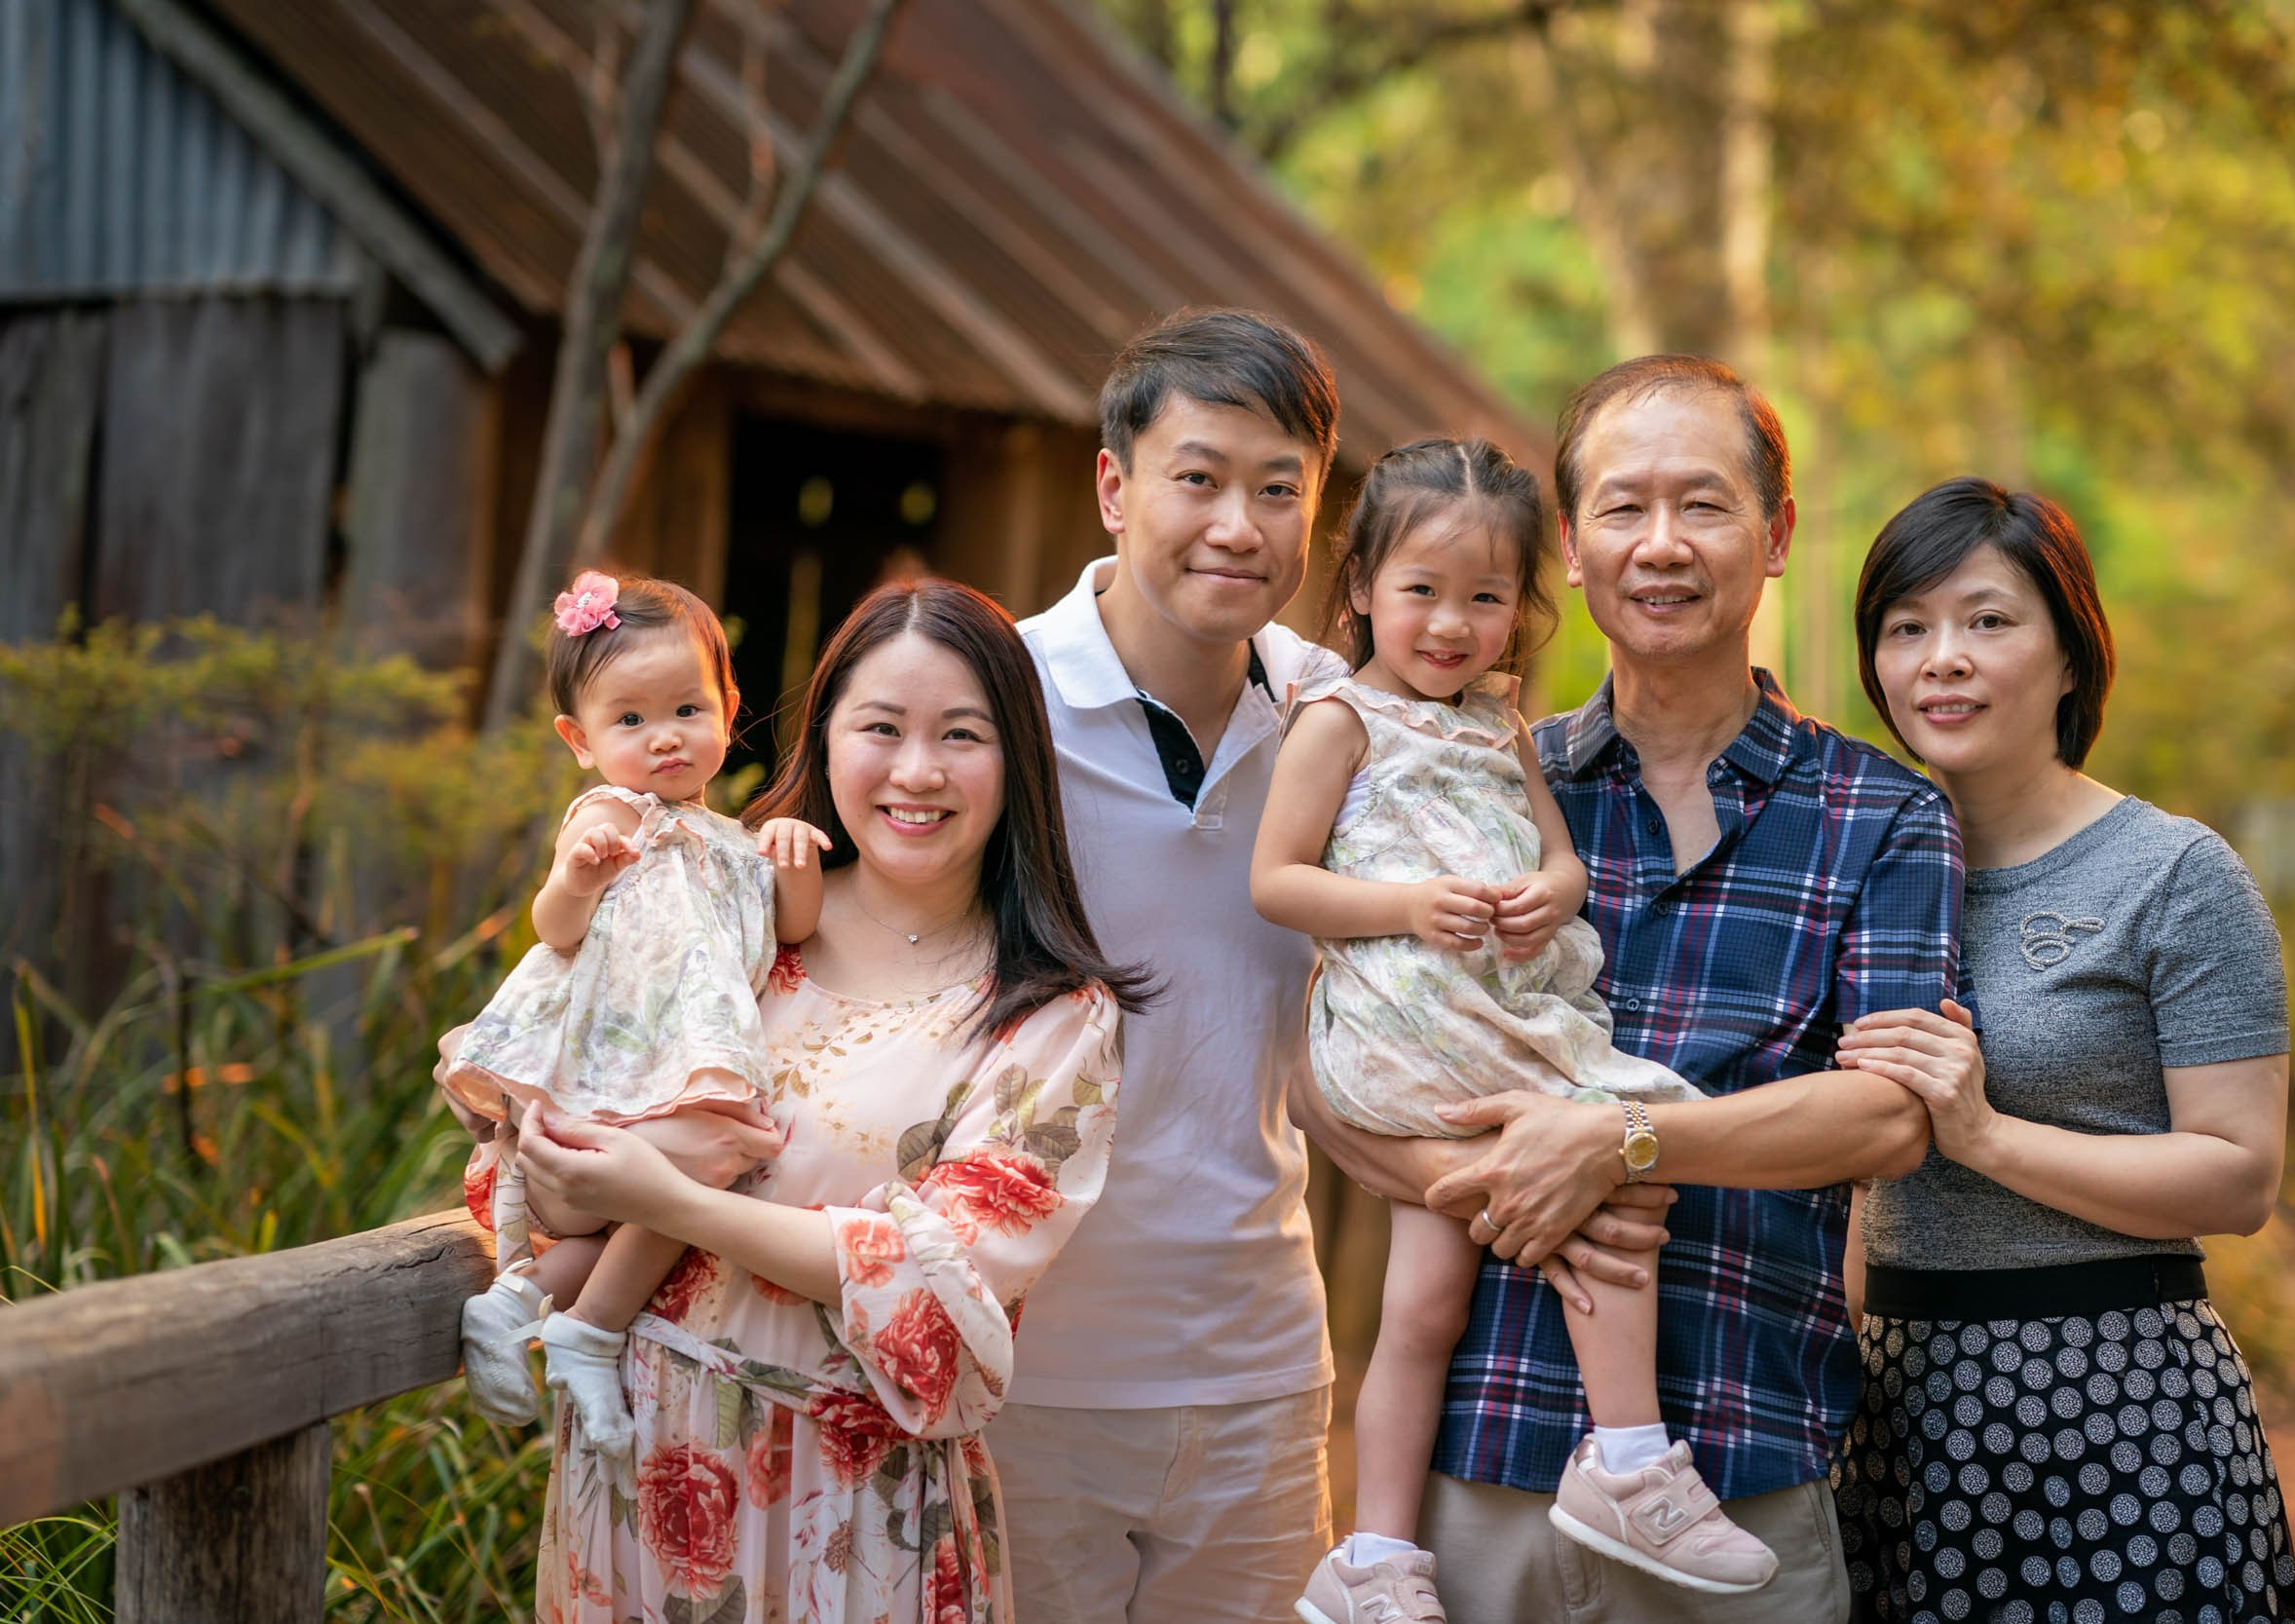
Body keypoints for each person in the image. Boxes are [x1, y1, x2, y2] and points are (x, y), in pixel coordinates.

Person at [1297, 355, 1967, 1623]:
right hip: (1474, 1478)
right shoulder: (1462, 776)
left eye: (1703, 505)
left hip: (1740, 1473)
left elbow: (1889, 1115)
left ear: (1772, 536)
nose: (1662, 544)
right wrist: (1496, 1167)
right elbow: (1324, 1052)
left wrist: (1620, 1139)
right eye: (1623, 506)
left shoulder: (1881, 814)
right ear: (1570, 541)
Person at [501, 579, 1148, 1623]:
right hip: (636, 1457)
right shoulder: (733, 916)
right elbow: (563, 1132)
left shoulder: (1051, 1019)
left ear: (1016, 754)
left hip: (854, 1510)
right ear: (825, 737)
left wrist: (669, 1198)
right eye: (880, 728)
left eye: (962, 734)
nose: (917, 770)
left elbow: (941, 1300)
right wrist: (571, 1180)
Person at [1252, 436, 1777, 1621]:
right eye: (1421, 592)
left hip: (1496, 1016)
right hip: (1407, 1024)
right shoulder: (1340, 719)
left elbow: (1557, 854)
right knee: (1611, 1201)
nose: (1451, 625)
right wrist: (1404, 908)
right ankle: (1630, 1457)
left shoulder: (1500, 722)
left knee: (1425, 1304)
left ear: (1523, 612)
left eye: (1485, 598)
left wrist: (1553, 889)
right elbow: (1277, 880)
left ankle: (1377, 1556)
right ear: (1361, 589)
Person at [1831, 477, 2295, 1624]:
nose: (1942, 657)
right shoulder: (1855, 868)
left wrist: (1986, 1134)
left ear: (2071, 653)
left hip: (2115, 1410)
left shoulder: (2174, 875)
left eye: (1988, 620)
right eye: (1908, 627)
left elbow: (2239, 1176)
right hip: (1897, 1406)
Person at [990, 307, 1347, 1623]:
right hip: (1019, 1361)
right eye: (1197, 477)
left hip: (1260, 1357)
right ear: (1114, 483)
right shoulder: (993, 701)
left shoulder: (1344, 717)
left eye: (1278, 489)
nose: (1237, 526)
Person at [446, 570, 825, 1469]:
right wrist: (578, 872)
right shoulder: (616, 816)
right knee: (704, 1169)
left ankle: (519, 1309)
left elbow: (795, 928)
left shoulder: (735, 840)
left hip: (677, 1075)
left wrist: (794, 855)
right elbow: (555, 927)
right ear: (579, 740)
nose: (663, 737)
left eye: (687, 708)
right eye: (629, 720)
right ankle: (589, 1333)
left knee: (674, 1195)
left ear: (728, 707)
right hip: (618, 1067)